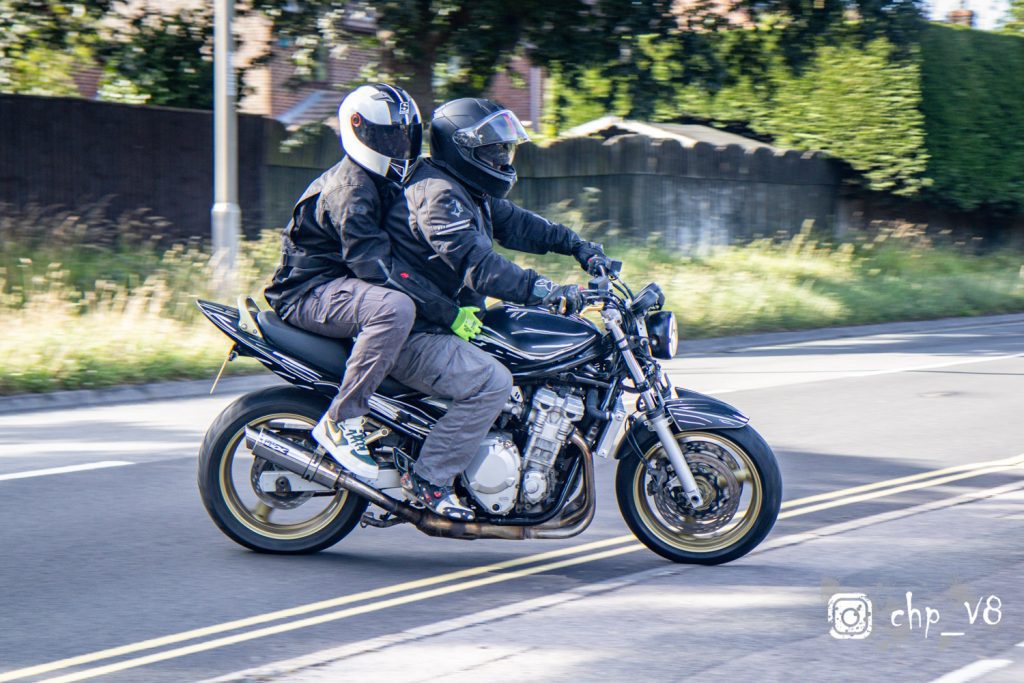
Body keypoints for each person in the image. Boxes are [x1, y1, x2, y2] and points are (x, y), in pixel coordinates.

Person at [380, 97, 612, 520]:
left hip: (447, 323)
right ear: (462, 149)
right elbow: (479, 266)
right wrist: (545, 290)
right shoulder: (438, 196)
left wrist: (579, 247)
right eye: (493, 150)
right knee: (492, 383)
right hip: (416, 330)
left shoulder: (469, 190)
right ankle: (429, 479)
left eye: (505, 149)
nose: (503, 158)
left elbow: (521, 224)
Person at [263, 84, 482, 480]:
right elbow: (377, 269)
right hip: (308, 291)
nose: (397, 146)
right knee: (393, 308)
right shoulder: (351, 190)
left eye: (403, 136)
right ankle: (342, 421)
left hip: (338, 285)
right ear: (357, 128)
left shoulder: (379, 179)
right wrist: (446, 312)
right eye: (385, 136)